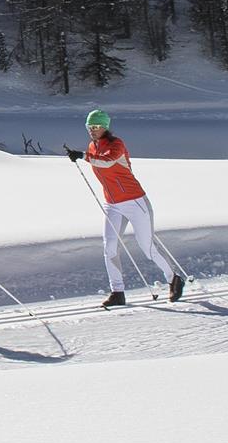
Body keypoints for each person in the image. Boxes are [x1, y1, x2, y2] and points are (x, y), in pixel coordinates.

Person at [66, 108, 184, 308]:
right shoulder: (92, 146)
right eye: (89, 126)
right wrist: (84, 155)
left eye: (96, 126)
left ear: (105, 127)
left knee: (147, 247)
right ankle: (117, 292)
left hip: (135, 201)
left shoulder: (116, 144)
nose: (92, 130)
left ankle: (173, 278)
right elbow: (97, 161)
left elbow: (108, 162)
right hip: (112, 204)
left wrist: (84, 156)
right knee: (109, 247)